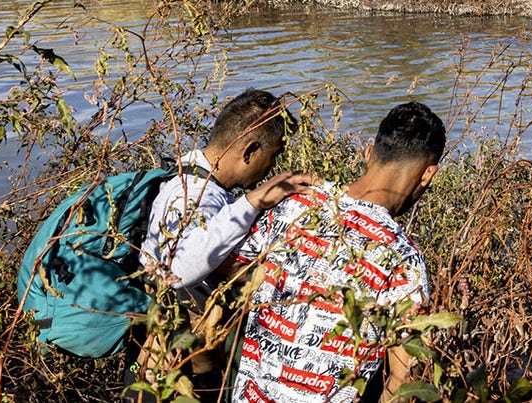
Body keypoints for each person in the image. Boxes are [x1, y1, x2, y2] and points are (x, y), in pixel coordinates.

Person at [231, 101, 446, 403]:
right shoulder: (404, 259)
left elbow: (231, 274)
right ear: (428, 175)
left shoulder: (293, 201)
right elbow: (406, 375)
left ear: (368, 152)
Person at [134, 89, 316, 402]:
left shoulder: (192, 177)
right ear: (250, 150)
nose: (270, 168)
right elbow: (175, 270)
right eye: (273, 155)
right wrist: (255, 200)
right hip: (170, 378)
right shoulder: (192, 193)